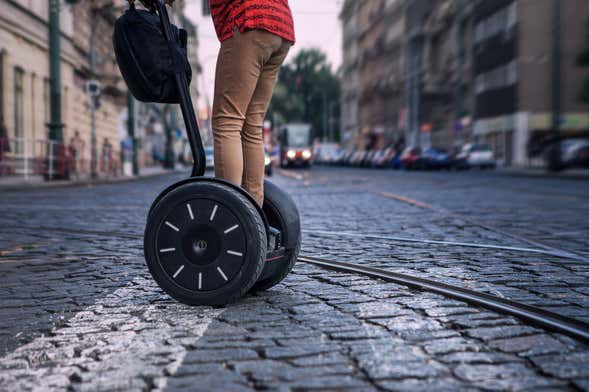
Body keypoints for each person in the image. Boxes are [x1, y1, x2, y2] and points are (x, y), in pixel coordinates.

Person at [129, 0, 294, 206]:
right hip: (280, 25)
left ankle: (229, 210)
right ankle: (253, 214)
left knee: (227, 121)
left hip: (249, 19)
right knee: (251, 126)